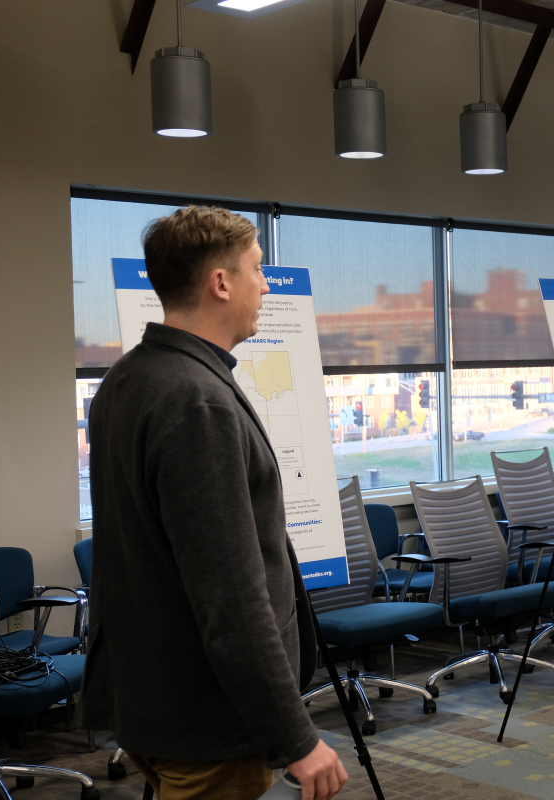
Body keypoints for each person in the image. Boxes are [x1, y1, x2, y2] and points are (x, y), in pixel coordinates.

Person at [85, 207, 348, 800]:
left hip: (154, 700)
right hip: (207, 713)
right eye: (258, 268)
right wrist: (295, 737)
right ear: (220, 283)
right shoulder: (195, 400)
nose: (267, 283)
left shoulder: (128, 380)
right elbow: (229, 595)